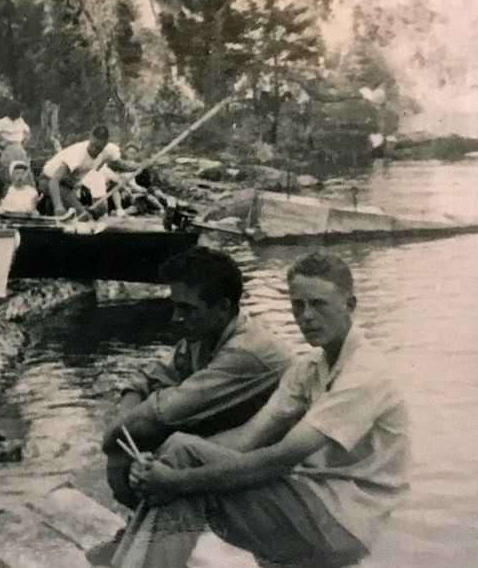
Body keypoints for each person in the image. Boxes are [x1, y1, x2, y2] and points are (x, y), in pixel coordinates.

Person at [112, 251, 410, 568]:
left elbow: (281, 457)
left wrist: (176, 480)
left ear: (350, 305)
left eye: (318, 304)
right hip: (314, 502)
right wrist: (161, 465)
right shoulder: (309, 368)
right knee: (178, 449)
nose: (306, 316)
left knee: (183, 467)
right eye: (298, 305)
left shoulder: (365, 374)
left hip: (344, 522)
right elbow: (248, 437)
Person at [100, 246, 292, 512]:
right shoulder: (204, 334)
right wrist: (122, 431)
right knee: (136, 453)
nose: (176, 318)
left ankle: (153, 534)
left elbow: (159, 415)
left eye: (187, 308)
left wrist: (116, 437)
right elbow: (146, 380)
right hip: (240, 450)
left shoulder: (247, 352)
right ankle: (143, 526)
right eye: (175, 306)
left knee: (164, 455)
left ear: (223, 308)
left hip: (280, 471)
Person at [40, 124, 121, 217]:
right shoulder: (77, 154)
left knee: (85, 213)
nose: (94, 149)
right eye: (93, 145)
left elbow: (118, 164)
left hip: (67, 188)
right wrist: (58, 206)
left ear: (105, 145)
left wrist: (138, 166)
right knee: (84, 217)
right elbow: (53, 182)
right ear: (90, 138)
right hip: (49, 181)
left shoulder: (108, 150)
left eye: (99, 148)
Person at [0, 100, 31, 169]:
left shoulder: (20, 121)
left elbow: (28, 132)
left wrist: (22, 142)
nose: (21, 114)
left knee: (23, 169)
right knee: (10, 169)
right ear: (15, 112)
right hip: (9, 149)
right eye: (20, 112)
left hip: (20, 149)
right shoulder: (3, 122)